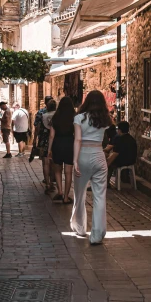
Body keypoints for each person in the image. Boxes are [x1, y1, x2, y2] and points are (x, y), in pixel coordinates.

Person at [71, 90, 111, 245]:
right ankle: (97, 234)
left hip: (83, 156)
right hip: (99, 155)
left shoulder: (79, 118)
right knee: (100, 196)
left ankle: (79, 227)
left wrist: (75, 161)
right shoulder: (105, 119)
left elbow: (78, 140)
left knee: (79, 194)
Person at [48, 96, 75, 204]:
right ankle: (66, 197)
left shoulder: (56, 117)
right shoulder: (74, 117)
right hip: (69, 144)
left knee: (58, 170)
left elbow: (51, 135)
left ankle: (60, 191)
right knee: (68, 172)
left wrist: (49, 149)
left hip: (57, 144)